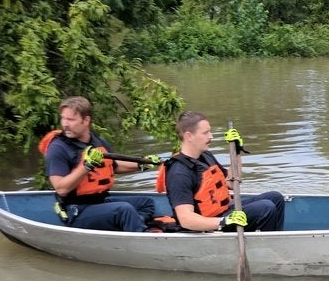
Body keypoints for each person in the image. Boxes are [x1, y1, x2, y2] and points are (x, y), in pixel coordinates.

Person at [43, 96, 159, 232]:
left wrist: (142, 164)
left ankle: (131, 226)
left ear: (86, 120)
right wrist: (87, 166)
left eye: (71, 120)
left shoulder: (99, 142)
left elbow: (113, 166)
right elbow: (61, 188)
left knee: (146, 203)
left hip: (100, 202)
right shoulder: (58, 148)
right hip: (76, 210)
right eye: (63, 118)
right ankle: (139, 235)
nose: (65, 124)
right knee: (124, 209)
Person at [162, 111, 285, 232]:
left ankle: (273, 240)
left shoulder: (205, 156)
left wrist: (236, 152)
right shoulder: (179, 172)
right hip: (208, 225)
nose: (211, 136)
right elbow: (186, 219)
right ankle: (265, 248)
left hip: (223, 211)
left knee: (276, 198)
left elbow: (231, 182)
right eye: (205, 133)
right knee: (265, 208)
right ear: (189, 136)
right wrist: (224, 221)